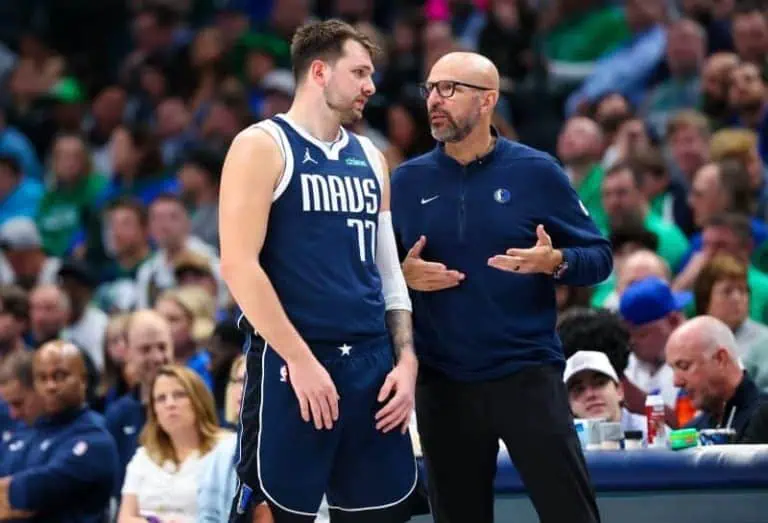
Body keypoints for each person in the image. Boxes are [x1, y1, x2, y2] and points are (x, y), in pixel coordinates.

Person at [390, 51, 612, 523]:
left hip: (525, 374)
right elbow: (376, 278)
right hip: (443, 382)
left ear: (488, 100)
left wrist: (555, 261)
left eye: (450, 89)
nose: (435, 100)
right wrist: (403, 277)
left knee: (571, 513)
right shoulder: (406, 182)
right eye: (430, 88)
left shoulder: (537, 171)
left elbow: (599, 258)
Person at [219, 19, 418, 523]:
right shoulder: (261, 146)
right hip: (292, 365)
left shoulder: (373, 158)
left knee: (378, 513)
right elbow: (239, 267)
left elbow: (388, 272)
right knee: (275, 512)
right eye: (360, 73)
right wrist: (301, 360)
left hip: (371, 367)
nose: (371, 87)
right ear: (320, 71)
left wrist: (407, 361)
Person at [0, 340, 118, 521]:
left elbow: (36, 491)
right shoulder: (26, 433)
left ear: (83, 380)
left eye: (60, 376)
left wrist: (14, 496)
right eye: (42, 378)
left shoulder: (95, 438)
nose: (51, 386)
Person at [665, 315, 768, 439]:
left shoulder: (762, 417)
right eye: (673, 369)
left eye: (684, 366)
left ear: (720, 359)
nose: (676, 382)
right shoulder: (692, 431)